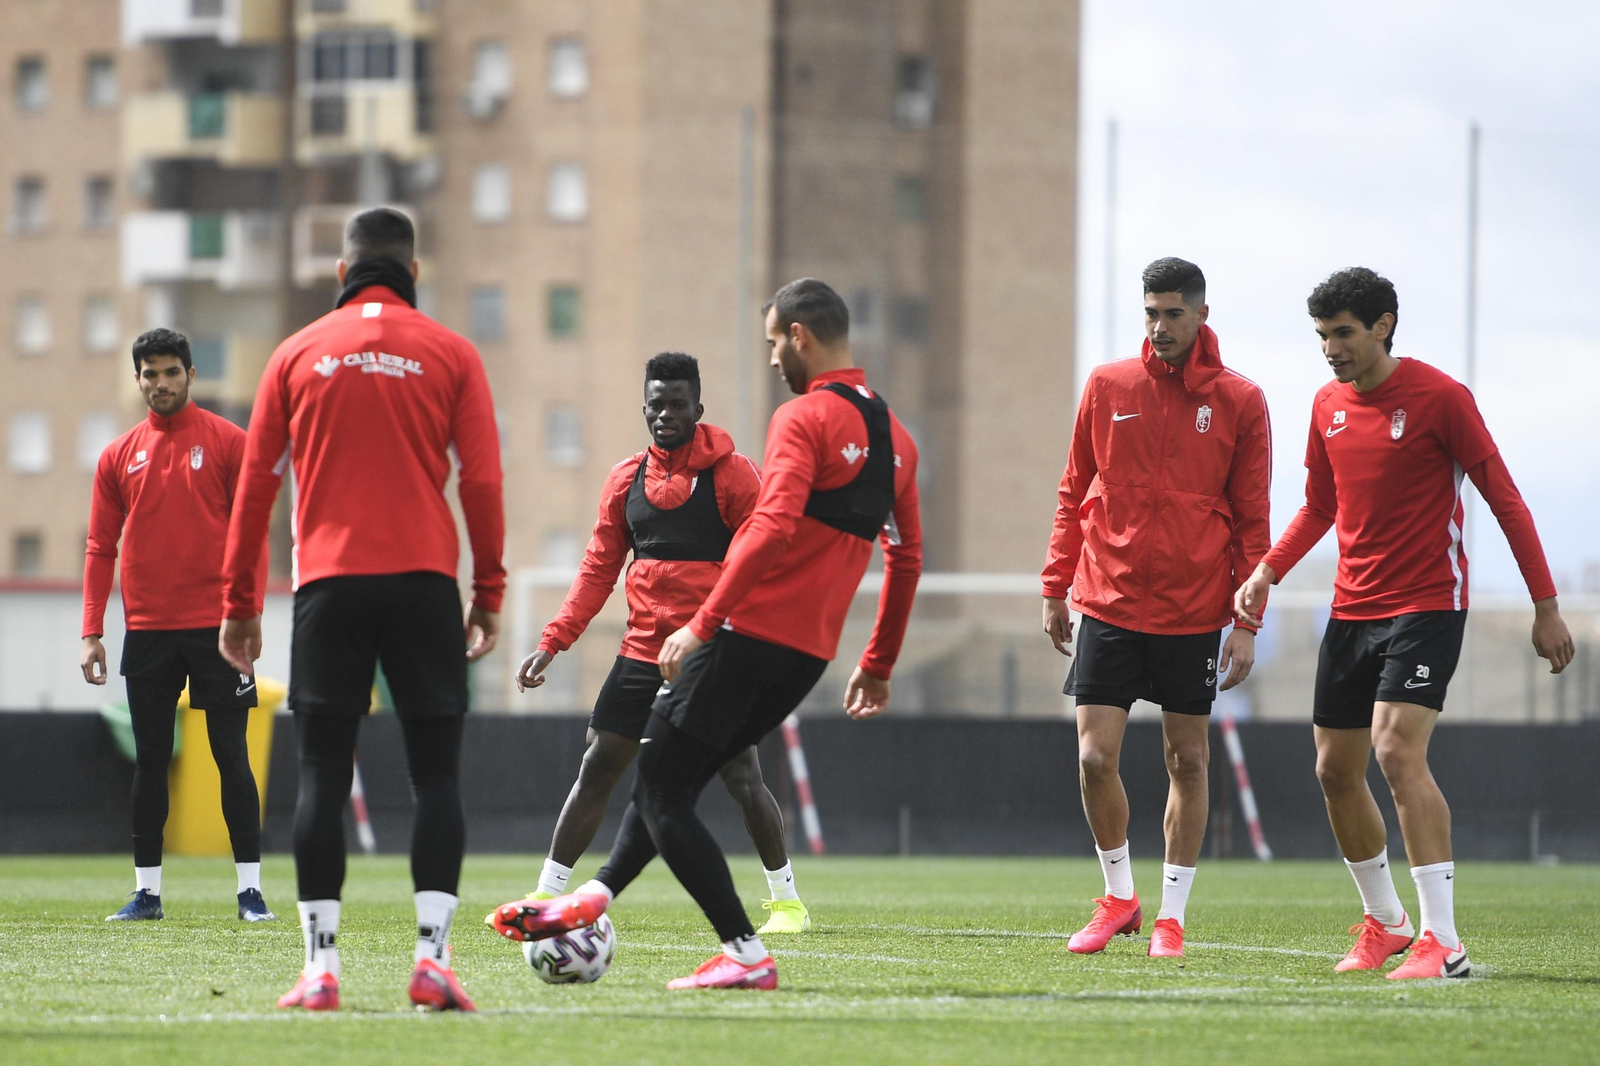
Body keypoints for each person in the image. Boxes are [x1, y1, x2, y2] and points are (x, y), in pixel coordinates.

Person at [489, 277, 922, 990]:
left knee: (669, 788)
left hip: (744, 636)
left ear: (799, 335)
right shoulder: (897, 438)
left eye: (774, 343)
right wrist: (877, 661)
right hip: (808, 653)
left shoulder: (802, 419)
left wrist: (703, 625)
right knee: (662, 780)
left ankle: (748, 952)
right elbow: (906, 556)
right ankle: (582, 898)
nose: (775, 359)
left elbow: (771, 527)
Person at [1235, 266, 1573, 980]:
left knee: (1395, 751)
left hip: (1426, 605)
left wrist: (1545, 605)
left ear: (1383, 324)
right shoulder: (1326, 404)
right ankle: (1386, 923)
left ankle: (1444, 943)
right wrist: (1267, 571)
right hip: (1351, 611)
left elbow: (1507, 501)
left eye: (1344, 333)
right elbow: (1318, 507)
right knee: (1334, 768)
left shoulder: (1441, 398)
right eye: (1323, 335)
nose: (1331, 348)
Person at [218, 207, 505, 1012]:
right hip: (422, 583)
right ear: (413, 271)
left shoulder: (295, 353)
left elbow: (256, 487)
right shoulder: (453, 352)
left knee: (319, 773)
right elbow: (481, 481)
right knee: (436, 774)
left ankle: (320, 970)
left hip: (329, 586)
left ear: (342, 269)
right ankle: (433, 961)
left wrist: (240, 602)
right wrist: (489, 592)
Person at [513, 351, 811, 934]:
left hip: (710, 650)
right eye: (656, 405)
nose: (665, 414)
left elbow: (766, 557)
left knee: (741, 775)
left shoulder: (733, 475)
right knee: (598, 764)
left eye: (677, 404)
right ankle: (546, 893)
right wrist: (554, 642)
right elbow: (599, 568)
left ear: (698, 408)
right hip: (642, 649)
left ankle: (786, 903)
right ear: (644, 409)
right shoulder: (625, 480)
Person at [1041, 258, 1270, 960]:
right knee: (1092, 757)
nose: (1160, 326)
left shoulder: (1241, 400)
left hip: (1195, 610)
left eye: (1173, 313)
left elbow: (1253, 522)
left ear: (1201, 315)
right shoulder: (1109, 385)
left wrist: (1246, 623)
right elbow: (1074, 485)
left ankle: (1171, 915)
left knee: (1187, 760)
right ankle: (1119, 898)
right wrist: (1056, 585)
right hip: (1107, 598)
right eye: (1150, 312)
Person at [82, 328, 275, 924]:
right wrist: (92, 630)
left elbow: (254, 533)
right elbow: (99, 545)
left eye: (171, 372)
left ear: (191, 374)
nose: (160, 383)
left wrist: (249, 615)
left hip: (218, 631)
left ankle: (250, 893)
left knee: (230, 757)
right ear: (137, 379)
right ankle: (147, 894)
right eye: (150, 374)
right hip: (148, 630)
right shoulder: (118, 456)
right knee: (150, 760)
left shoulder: (229, 443)